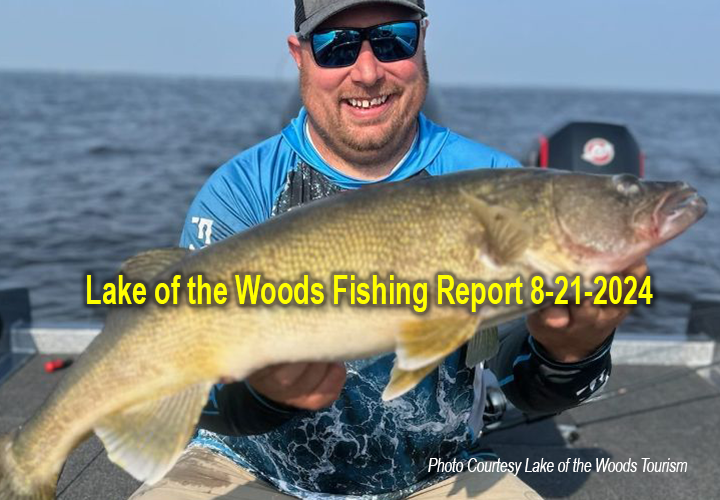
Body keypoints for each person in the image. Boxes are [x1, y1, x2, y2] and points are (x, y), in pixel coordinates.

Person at [130, 1, 646, 498]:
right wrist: (265, 395)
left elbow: (521, 384)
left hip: (439, 476)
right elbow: (196, 398)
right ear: (299, 54)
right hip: (245, 467)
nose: (368, 71)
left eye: (392, 39)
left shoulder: (493, 184)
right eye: (336, 46)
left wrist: (574, 349)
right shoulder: (243, 190)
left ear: (423, 40)